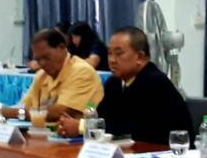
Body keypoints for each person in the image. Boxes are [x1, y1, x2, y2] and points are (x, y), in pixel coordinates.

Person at [57, 27, 190, 144]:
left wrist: (82, 127)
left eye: (118, 53)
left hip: (165, 153)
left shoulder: (154, 82)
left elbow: (131, 128)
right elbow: (102, 116)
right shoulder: (114, 83)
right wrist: (78, 121)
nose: (112, 60)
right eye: (109, 53)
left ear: (140, 57)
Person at [5, 27, 104, 122]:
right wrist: (5, 111)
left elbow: (60, 113)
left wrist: (8, 113)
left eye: (46, 57)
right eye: (38, 59)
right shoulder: (41, 76)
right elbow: (25, 105)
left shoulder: (82, 72)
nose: (42, 64)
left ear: (62, 47)